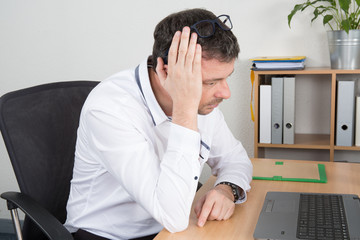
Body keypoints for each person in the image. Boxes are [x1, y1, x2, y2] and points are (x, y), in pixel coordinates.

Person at [64, 8, 253, 240]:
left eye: (226, 77)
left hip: (174, 228)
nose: (225, 93)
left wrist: (226, 189)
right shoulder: (110, 108)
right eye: (211, 82)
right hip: (109, 235)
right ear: (167, 70)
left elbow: (236, 159)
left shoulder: (205, 103)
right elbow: (172, 217)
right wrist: (185, 109)